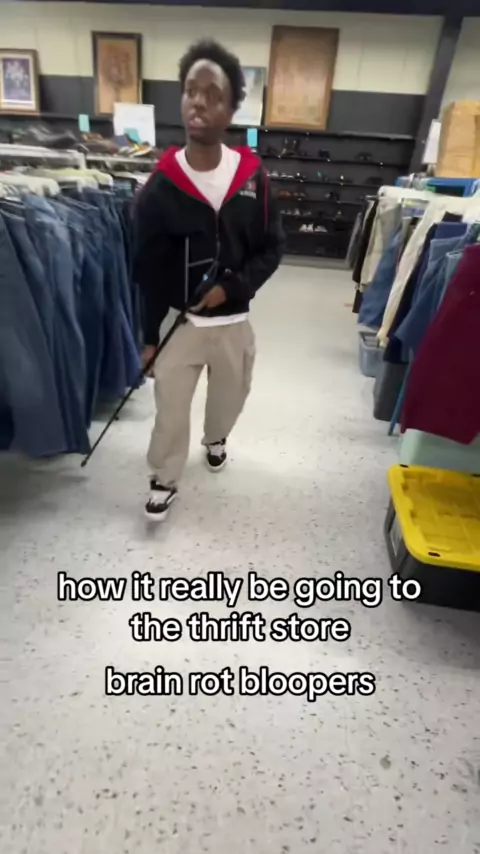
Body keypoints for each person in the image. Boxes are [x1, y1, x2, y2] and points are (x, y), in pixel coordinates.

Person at [133, 40, 284, 521]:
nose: (198, 102)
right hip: (179, 323)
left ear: (232, 108)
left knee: (230, 398)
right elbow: (146, 268)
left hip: (234, 323)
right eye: (190, 91)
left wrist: (232, 288)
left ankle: (216, 438)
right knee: (170, 409)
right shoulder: (159, 187)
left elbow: (272, 248)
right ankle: (164, 476)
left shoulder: (253, 178)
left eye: (213, 95)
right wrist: (148, 337)